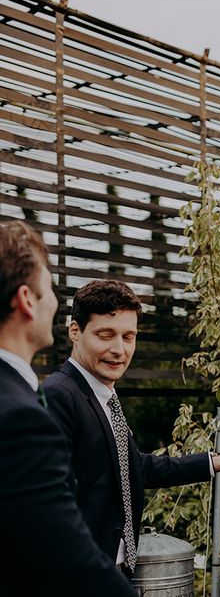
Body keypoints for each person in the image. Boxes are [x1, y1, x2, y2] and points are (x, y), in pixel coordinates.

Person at [43, 278, 220, 574]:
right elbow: (49, 503)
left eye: (128, 336)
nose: (119, 349)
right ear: (75, 331)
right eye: (105, 335)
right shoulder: (60, 394)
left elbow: (137, 468)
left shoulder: (104, 394)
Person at [0, 220, 136, 596]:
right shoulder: (22, 417)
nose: (56, 302)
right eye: (50, 290)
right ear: (28, 300)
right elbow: (65, 555)